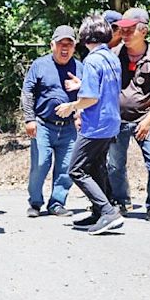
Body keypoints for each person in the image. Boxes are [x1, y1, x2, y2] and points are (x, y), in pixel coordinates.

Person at [56, 14, 123, 235]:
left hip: (96, 124)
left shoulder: (92, 60)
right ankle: (98, 212)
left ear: (85, 36)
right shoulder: (111, 57)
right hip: (112, 121)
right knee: (96, 166)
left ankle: (107, 211)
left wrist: (71, 106)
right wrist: (81, 84)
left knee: (76, 169)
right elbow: (104, 87)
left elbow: (92, 98)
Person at [108, 8, 150, 224]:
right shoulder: (114, 54)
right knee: (115, 165)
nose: (124, 34)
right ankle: (120, 202)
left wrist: (148, 120)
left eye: (130, 30)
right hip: (117, 121)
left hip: (143, 120)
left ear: (143, 31)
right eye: (122, 29)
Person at [21, 25, 82, 218]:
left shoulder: (80, 67)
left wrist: (80, 111)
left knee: (66, 167)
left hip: (69, 128)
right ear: (52, 45)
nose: (65, 49)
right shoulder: (40, 65)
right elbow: (27, 92)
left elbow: (90, 95)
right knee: (40, 164)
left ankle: (57, 203)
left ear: (74, 47)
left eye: (69, 45)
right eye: (61, 44)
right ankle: (35, 202)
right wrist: (29, 119)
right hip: (43, 125)